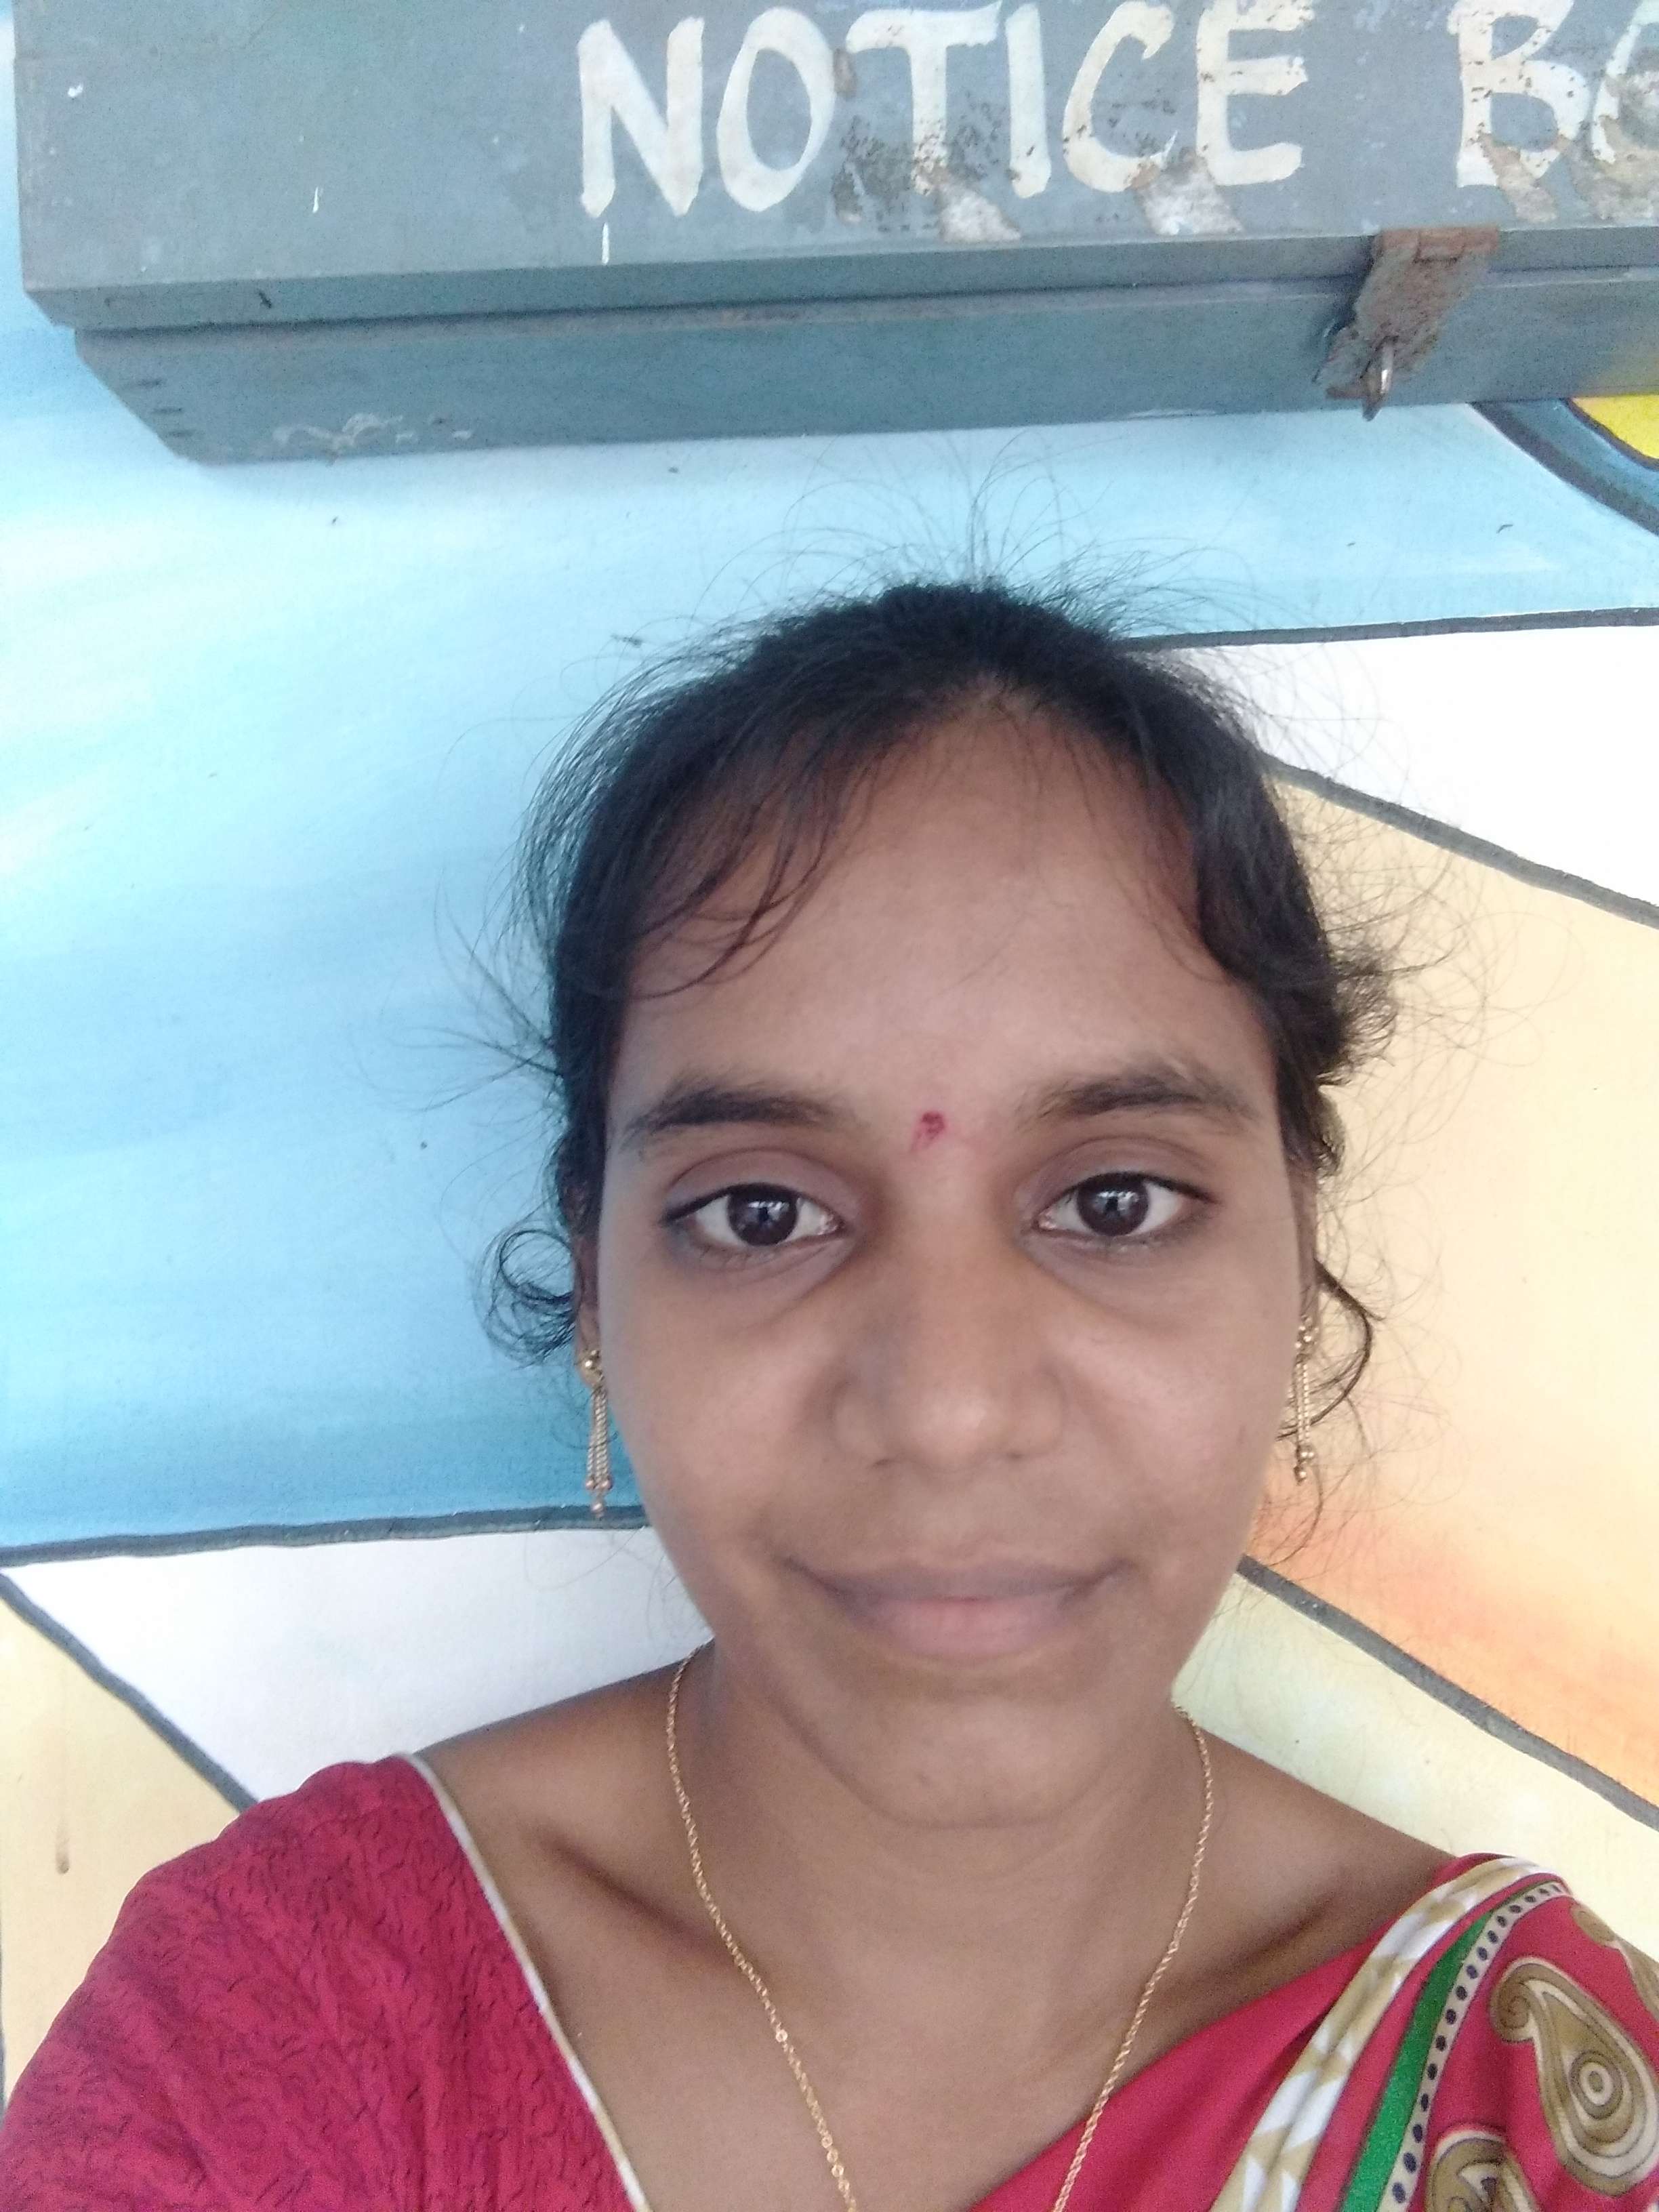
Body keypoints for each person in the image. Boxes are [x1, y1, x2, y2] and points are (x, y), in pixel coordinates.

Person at [2, 580, 1655, 2212]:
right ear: (595, 1281)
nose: (947, 1409)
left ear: (1298, 1255)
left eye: (1114, 1202)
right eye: (761, 1213)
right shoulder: (280, 2044)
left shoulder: (1538, 2099)